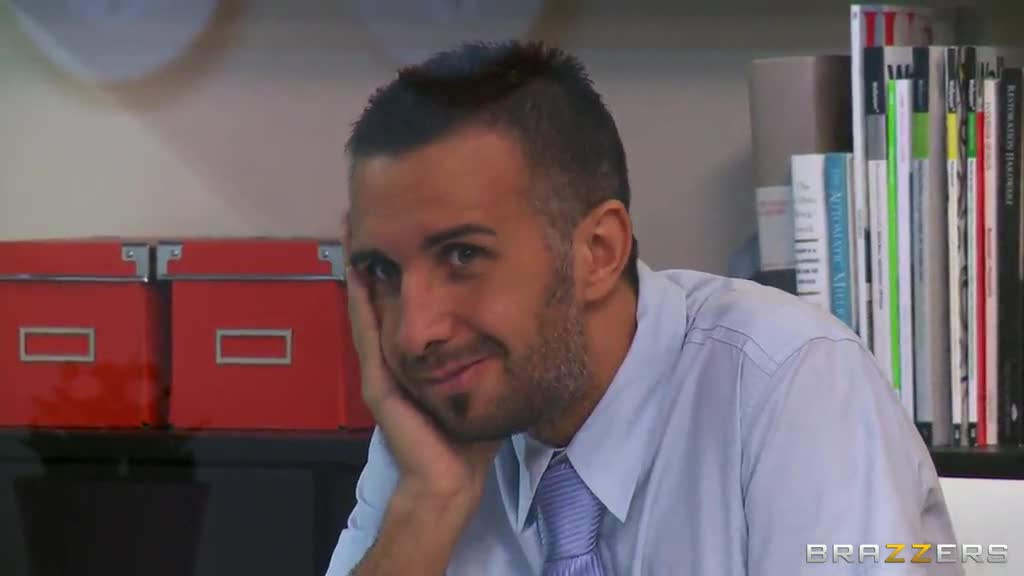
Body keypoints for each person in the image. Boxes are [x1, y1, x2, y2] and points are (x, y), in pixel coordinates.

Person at [326, 40, 961, 576]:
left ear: (598, 253)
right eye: (382, 271)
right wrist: (428, 506)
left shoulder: (790, 382)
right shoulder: (438, 418)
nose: (415, 333)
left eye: (463, 256)